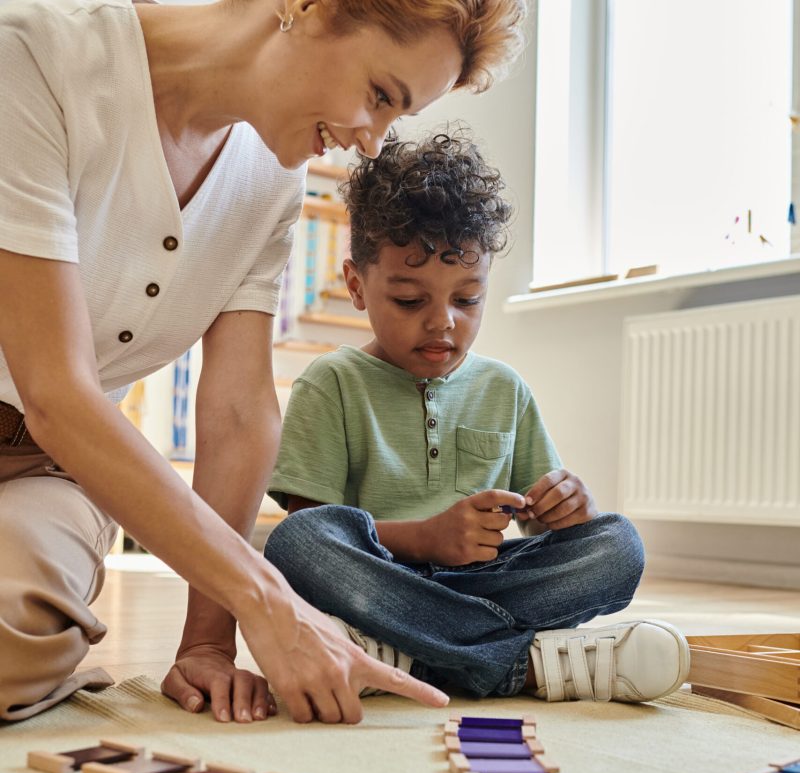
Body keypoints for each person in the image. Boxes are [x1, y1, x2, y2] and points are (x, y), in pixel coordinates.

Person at [0, 0, 528, 724]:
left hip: (49, 472)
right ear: (303, 6)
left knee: (7, 643)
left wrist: (208, 644)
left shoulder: (270, 181)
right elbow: (56, 392)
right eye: (379, 95)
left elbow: (240, 411)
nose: (370, 144)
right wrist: (266, 597)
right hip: (59, 422)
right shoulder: (33, 56)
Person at [265, 131, 690, 704]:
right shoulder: (332, 383)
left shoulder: (504, 388)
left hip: (473, 588)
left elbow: (541, 528)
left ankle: (405, 653)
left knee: (619, 545)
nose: (443, 323)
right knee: (296, 545)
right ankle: (522, 665)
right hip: (381, 580)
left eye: (467, 300)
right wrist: (426, 539)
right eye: (411, 301)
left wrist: (567, 512)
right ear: (357, 285)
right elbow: (313, 530)